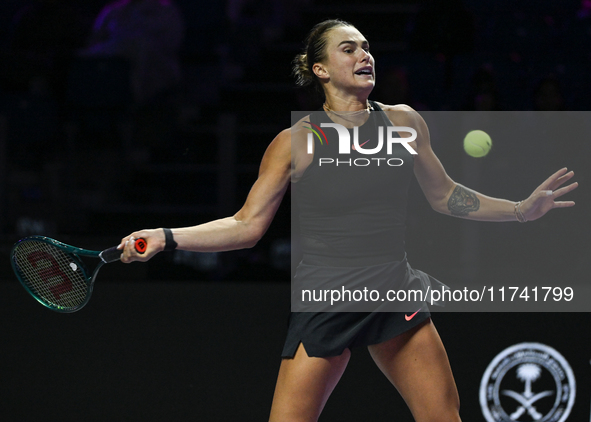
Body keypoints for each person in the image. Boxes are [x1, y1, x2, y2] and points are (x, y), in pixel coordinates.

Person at [118, 19, 578, 422]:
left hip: (391, 287)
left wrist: (520, 210)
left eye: (367, 47)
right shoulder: (296, 141)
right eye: (349, 48)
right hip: (327, 297)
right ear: (320, 70)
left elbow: (446, 195)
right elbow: (246, 226)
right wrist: (165, 236)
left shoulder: (404, 124)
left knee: (443, 416)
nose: (365, 55)